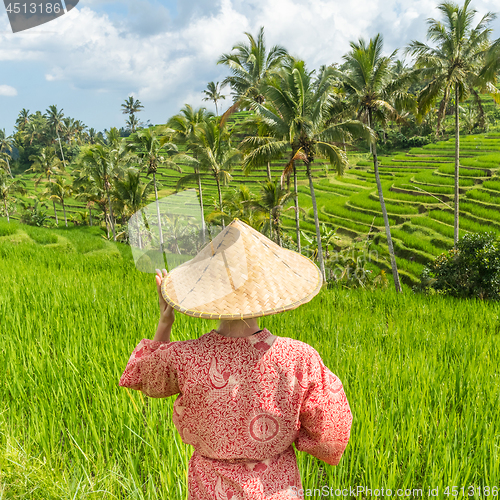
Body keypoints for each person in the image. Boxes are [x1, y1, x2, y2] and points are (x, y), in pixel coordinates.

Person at [119, 219, 352, 499]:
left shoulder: (186, 356)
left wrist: (165, 319)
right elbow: (331, 428)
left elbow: (144, 375)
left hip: (210, 487)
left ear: (207, 293)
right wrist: (299, 439)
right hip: (276, 486)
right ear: (267, 294)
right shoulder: (300, 359)